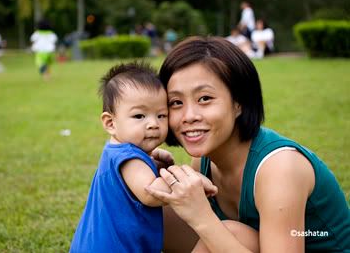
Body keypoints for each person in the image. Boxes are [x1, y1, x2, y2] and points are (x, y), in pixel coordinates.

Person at [145, 36, 350, 252]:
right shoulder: (205, 159)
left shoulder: (280, 168)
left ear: (238, 103)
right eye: (176, 102)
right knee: (155, 208)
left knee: (232, 233)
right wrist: (148, 169)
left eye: (205, 98)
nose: (189, 115)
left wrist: (202, 217)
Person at [69, 61, 217, 253]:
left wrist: (152, 164)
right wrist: (191, 178)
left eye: (161, 115)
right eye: (139, 116)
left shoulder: (118, 152)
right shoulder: (129, 158)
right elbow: (150, 193)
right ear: (110, 123)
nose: (153, 124)